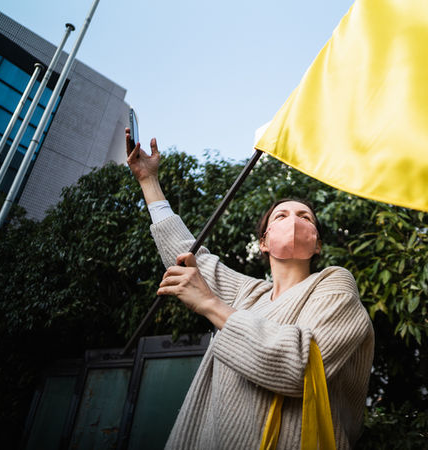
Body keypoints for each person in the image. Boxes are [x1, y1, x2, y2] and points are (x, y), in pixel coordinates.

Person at [126, 130, 374, 449]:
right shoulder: (247, 294)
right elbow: (188, 254)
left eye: (305, 217)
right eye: (281, 216)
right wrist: (149, 181)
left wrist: (211, 305)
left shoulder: (334, 283)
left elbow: (298, 368)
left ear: (317, 245)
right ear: (263, 243)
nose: (294, 221)